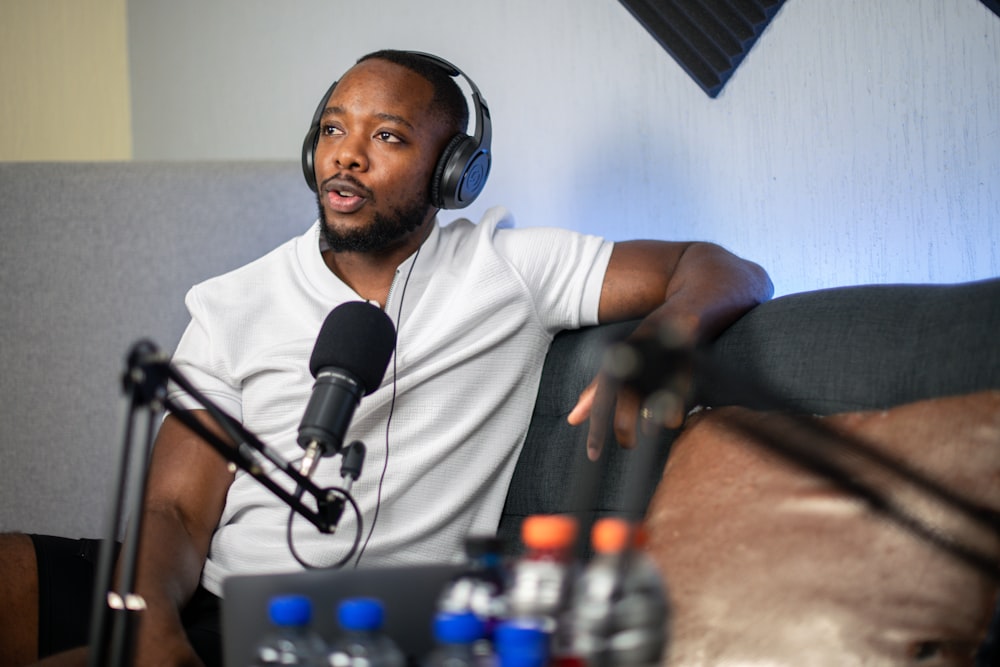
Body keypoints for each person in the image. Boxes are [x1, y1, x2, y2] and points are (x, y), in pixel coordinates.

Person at [0, 49, 772, 667]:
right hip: (194, 585)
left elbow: (724, 267)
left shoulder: (512, 270)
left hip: (334, 626)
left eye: (389, 137)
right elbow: (174, 508)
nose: (348, 158)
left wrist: (665, 334)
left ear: (454, 173)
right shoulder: (232, 302)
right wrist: (147, 615)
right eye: (334, 130)